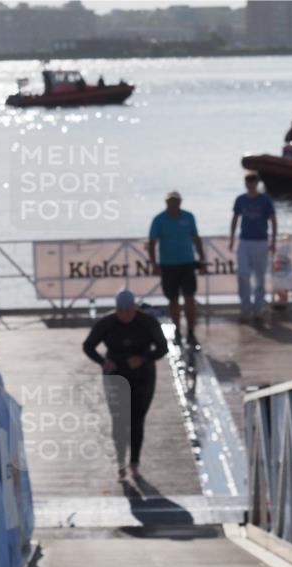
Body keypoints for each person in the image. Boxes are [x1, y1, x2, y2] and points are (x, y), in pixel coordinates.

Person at [83, 289, 168, 481]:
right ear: (116, 310)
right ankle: (121, 463)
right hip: (115, 374)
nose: (125, 315)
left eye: (129, 311)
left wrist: (144, 358)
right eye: (121, 311)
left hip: (143, 375)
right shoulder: (107, 323)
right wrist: (103, 362)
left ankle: (135, 463)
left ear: (135, 308)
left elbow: (163, 347)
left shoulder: (147, 323)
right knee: (119, 420)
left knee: (137, 419)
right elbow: (88, 346)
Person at [148, 190, 205, 347]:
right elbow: (152, 242)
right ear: (166, 202)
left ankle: (191, 332)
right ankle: (177, 331)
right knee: (172, 300)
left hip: (187, 263)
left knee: (189, 298)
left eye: (176, 201)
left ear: (180, 202)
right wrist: (154, 263)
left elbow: (196, 237)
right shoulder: (159, 220)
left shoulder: (188, 217)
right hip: (168, 265)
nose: (174, 204)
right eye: (171, 201)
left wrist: (202, 258)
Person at [229, 173, 277, 321]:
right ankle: (245, 306)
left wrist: (273, 241)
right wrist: (231, 238)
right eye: (248, 181)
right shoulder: (240, 199)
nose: (250, 183)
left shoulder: (265, 199)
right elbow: (235, 219)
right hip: (244, 241)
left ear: (257, 182)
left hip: (261, 241)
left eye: (253, 180)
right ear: (245, 183)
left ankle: (259, 306)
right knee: (243, 274)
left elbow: (273, 220)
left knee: (260, 277)